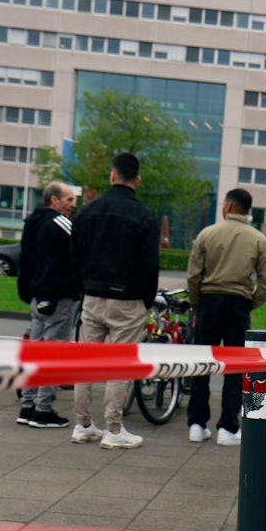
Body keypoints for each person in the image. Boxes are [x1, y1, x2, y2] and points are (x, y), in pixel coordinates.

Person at [70, 152, 160, 449]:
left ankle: (82, 424)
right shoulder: (144, 215)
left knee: (86, 362)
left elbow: (75, 256)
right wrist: (146, 300)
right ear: (137, 179)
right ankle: (113, 428)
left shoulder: (86, 211)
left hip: (93, 295)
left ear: (112, 175)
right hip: (127, 297)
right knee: (119, 363)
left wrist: (84, 287)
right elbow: (149, 264)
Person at [186, 188, 266, 446]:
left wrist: (196, 306)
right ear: (247, 210)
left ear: (227, 206)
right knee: (236, 367)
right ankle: (228, 426)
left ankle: (197, 423)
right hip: (239, 304)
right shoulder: (258, 239)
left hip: (209, 302)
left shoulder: (207, 234)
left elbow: (193, 276)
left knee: (202, 363)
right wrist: (250, 302)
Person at [16, 181, 79, 428]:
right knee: (55, 353)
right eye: (69, 199)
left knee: (36, 352)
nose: (73, 205)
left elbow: (26, 260)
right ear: (54, 200)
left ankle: (27, 405)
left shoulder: (32, 224)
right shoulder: (60, 223)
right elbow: (81, 247)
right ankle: (43, 410)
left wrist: (29, 294)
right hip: (58, 296)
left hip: (37, 296)